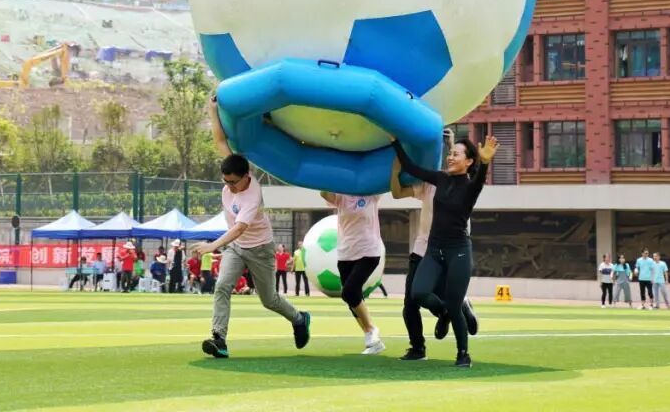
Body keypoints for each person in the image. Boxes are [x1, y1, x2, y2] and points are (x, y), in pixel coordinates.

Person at [194, 96, 311, 359]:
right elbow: (220, 141)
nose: (229, 187)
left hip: (260, 249)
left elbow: (239, 228)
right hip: (237, 249)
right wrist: (212, 110)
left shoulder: (252, 195)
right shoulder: (235, 171)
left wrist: (212, 246)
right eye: (225, 181)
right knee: (222, 286)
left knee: (269, 299)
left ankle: (299, 318)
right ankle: (219, 339)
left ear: (246, 176)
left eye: (233, 182)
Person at [391, 134, 498, 368]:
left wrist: (485, 162)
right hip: (433, 249)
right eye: (450, 153)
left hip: (458, 251)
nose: (450, 157)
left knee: (454, 303)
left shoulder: (470, 187)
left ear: (468, 161)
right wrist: (395, 142)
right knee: (418, 293)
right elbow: (411, 167)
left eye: (456, 154)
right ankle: (445, 312)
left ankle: (463, 354)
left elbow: (480, 178)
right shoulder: (440, 178)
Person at [319, 188, 386, 355]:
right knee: (351, 298)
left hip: (369, 251)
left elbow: (384, 183)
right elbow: (324, 193)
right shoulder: (341, 195)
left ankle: (371, 329)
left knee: (349, 292)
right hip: (346, 253)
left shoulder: (371, 193)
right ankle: (372, 341)